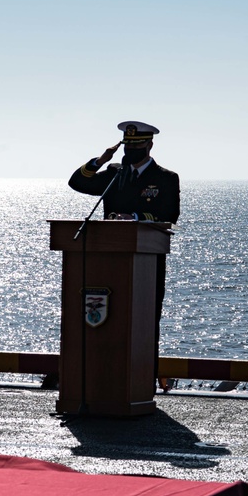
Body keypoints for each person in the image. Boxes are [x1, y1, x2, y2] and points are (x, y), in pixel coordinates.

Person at [68, 121, 180, 391]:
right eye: (127, 146)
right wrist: (99, 160)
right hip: (109, 260)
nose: (130, 151)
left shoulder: (166, 177)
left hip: (147, 260)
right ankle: (106, 381)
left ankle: (143, 383)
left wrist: (136, 218)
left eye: (136, 146)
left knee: (145, 321)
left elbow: (170, 215)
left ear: (149, 145)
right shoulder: (114, 173)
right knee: (112, 319)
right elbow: (77, 182)